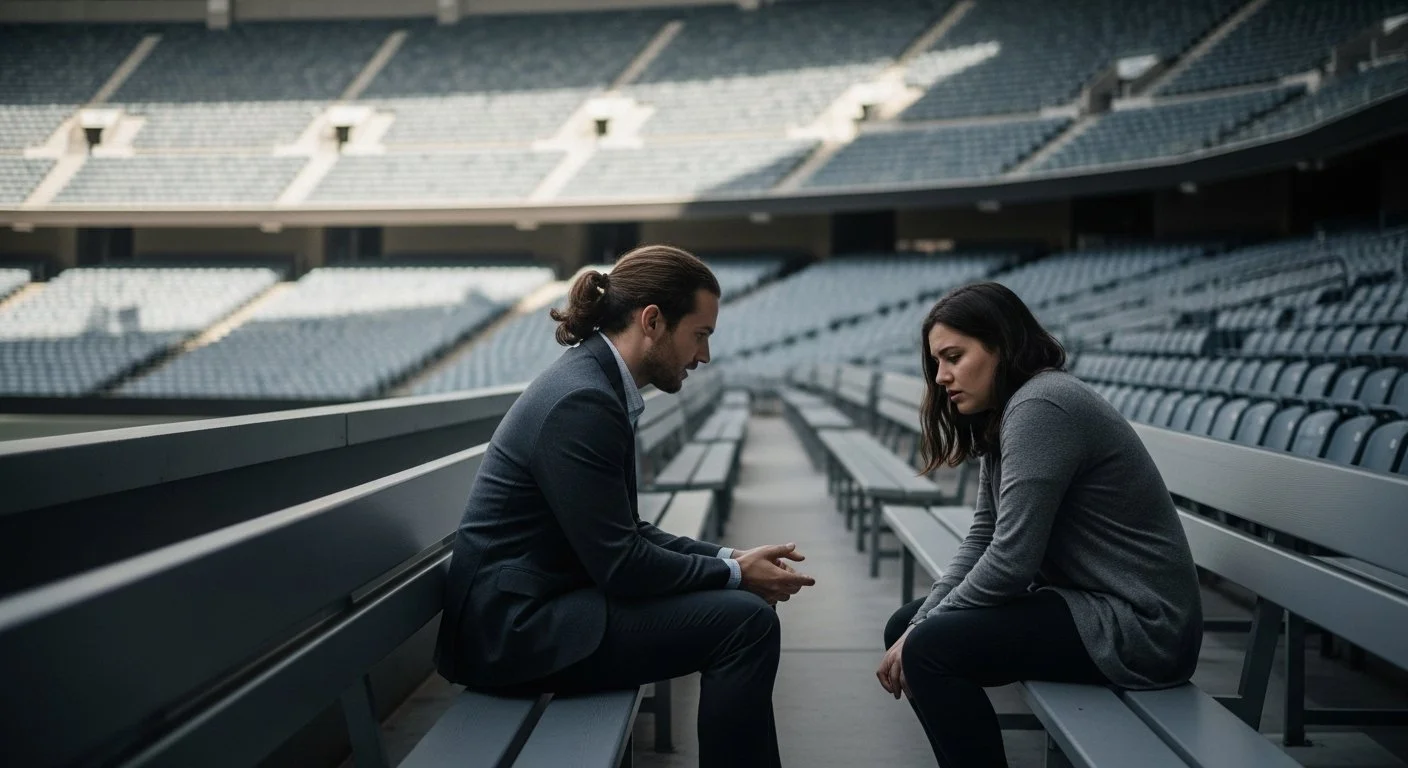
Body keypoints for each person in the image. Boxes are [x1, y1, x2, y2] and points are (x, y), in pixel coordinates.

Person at [435, 244, 815, 768]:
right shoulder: (582, 401)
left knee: (743, 617)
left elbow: (628, 533)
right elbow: (621, 565)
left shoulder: (594, 382)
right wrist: (732, 573)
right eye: (700, 335)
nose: (704, 355)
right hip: (517, 633)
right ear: (653, 321)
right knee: (744, 625)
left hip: (546, 606)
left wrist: (731, 556)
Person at [876, 282, 1203, 767]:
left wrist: (926, 627)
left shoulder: (1042, 406)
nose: (941, 377)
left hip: (1141, 626)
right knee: (906, 627)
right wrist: (923, 620)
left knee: (926, 649)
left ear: (1001, 346)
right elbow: (984, 535)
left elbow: (1011, 561)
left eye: (953, 357)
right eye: (937, 363)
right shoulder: (1011, 409)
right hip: (1087, 604)